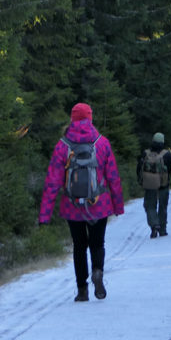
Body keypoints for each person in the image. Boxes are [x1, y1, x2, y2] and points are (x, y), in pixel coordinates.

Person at [39, 102, 124, 301]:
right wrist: (117, 205)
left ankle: (82, 290)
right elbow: (113, 177)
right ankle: (98, 271)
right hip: (99, 203)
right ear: (90, 118)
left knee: (79, 246)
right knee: (97, 243)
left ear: (72, 119)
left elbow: (52, 182)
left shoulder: (62, 146)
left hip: (72, 205)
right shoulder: (102, 143)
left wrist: (44, 215)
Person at [136, 132, 171, 238]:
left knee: (150, 206)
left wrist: (141, 181)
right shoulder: (167, 155)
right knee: (163, 207)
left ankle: (154, 224)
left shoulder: (145, 153)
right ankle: (162, 229)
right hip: (163, 185)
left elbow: (139, 168)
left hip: (149, 185)